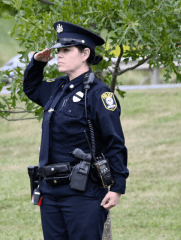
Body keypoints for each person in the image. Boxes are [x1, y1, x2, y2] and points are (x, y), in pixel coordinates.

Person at [24, 21, 129, 240]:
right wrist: (36, 63)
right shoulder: (58, 87)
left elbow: (114, 142)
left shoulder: (99, 94)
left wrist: (117, 186)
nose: (59, 55)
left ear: (85, 54)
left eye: (66, 50)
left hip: (83, 192)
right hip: (50, 192)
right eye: (58, 50)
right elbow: (32, 88)